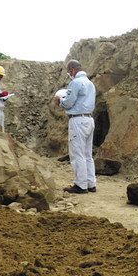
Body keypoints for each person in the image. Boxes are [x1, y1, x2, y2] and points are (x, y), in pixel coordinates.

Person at [53, 60, 96, 194]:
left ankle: (80, 185)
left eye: (69, 72)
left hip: (78, 120)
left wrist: (60, 100)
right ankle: (91, 183)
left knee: (77, 153)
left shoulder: (75, 83)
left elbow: (68, 103)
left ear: (72, 70)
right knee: (87, 154)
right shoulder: (90, 83)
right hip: (89, 119)